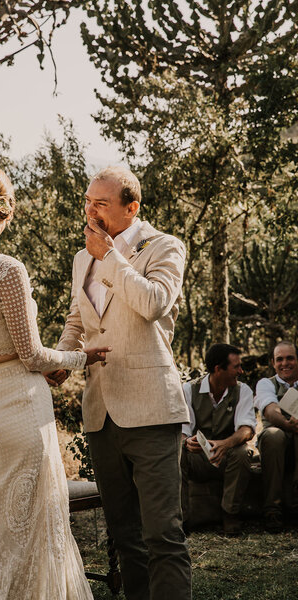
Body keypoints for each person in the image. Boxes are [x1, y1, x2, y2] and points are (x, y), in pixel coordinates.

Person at [0, 166, 110, 599]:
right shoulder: (7, 269)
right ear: (7, 213)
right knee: (27, 530)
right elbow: (31, 355)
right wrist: (78, 356)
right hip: (15, 407)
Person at [51, 166, 192, 600]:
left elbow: (152, 303)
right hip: (101, 412)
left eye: (101, 204)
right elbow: (79, 319)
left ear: (131, 208)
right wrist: (60, 358)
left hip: (150, 409)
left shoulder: (165, 246)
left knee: (162, 535)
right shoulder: (82, 258)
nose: (90, 211)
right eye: (88, 201)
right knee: (125, 537)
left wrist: (110, 255)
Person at [181, 343, 256, 535]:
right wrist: (187, 442)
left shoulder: (243, 390)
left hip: (227, 458)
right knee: (176, 453)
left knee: (242, 452)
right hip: (197, 459)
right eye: (236, 367)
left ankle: (229, 514)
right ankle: (182, 518)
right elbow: (183, 430)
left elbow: (247, 429)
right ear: (218, 369)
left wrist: (225, 444)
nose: (241, 371)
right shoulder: (189, 389)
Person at [255, 340, 298, 532]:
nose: (285, 363)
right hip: (276, 444)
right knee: (273, 435)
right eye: (279, 359)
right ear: (273, 363)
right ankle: (272, 509)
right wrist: (289, 425)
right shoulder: (266, 383)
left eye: (290, 358)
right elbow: (270, 411)